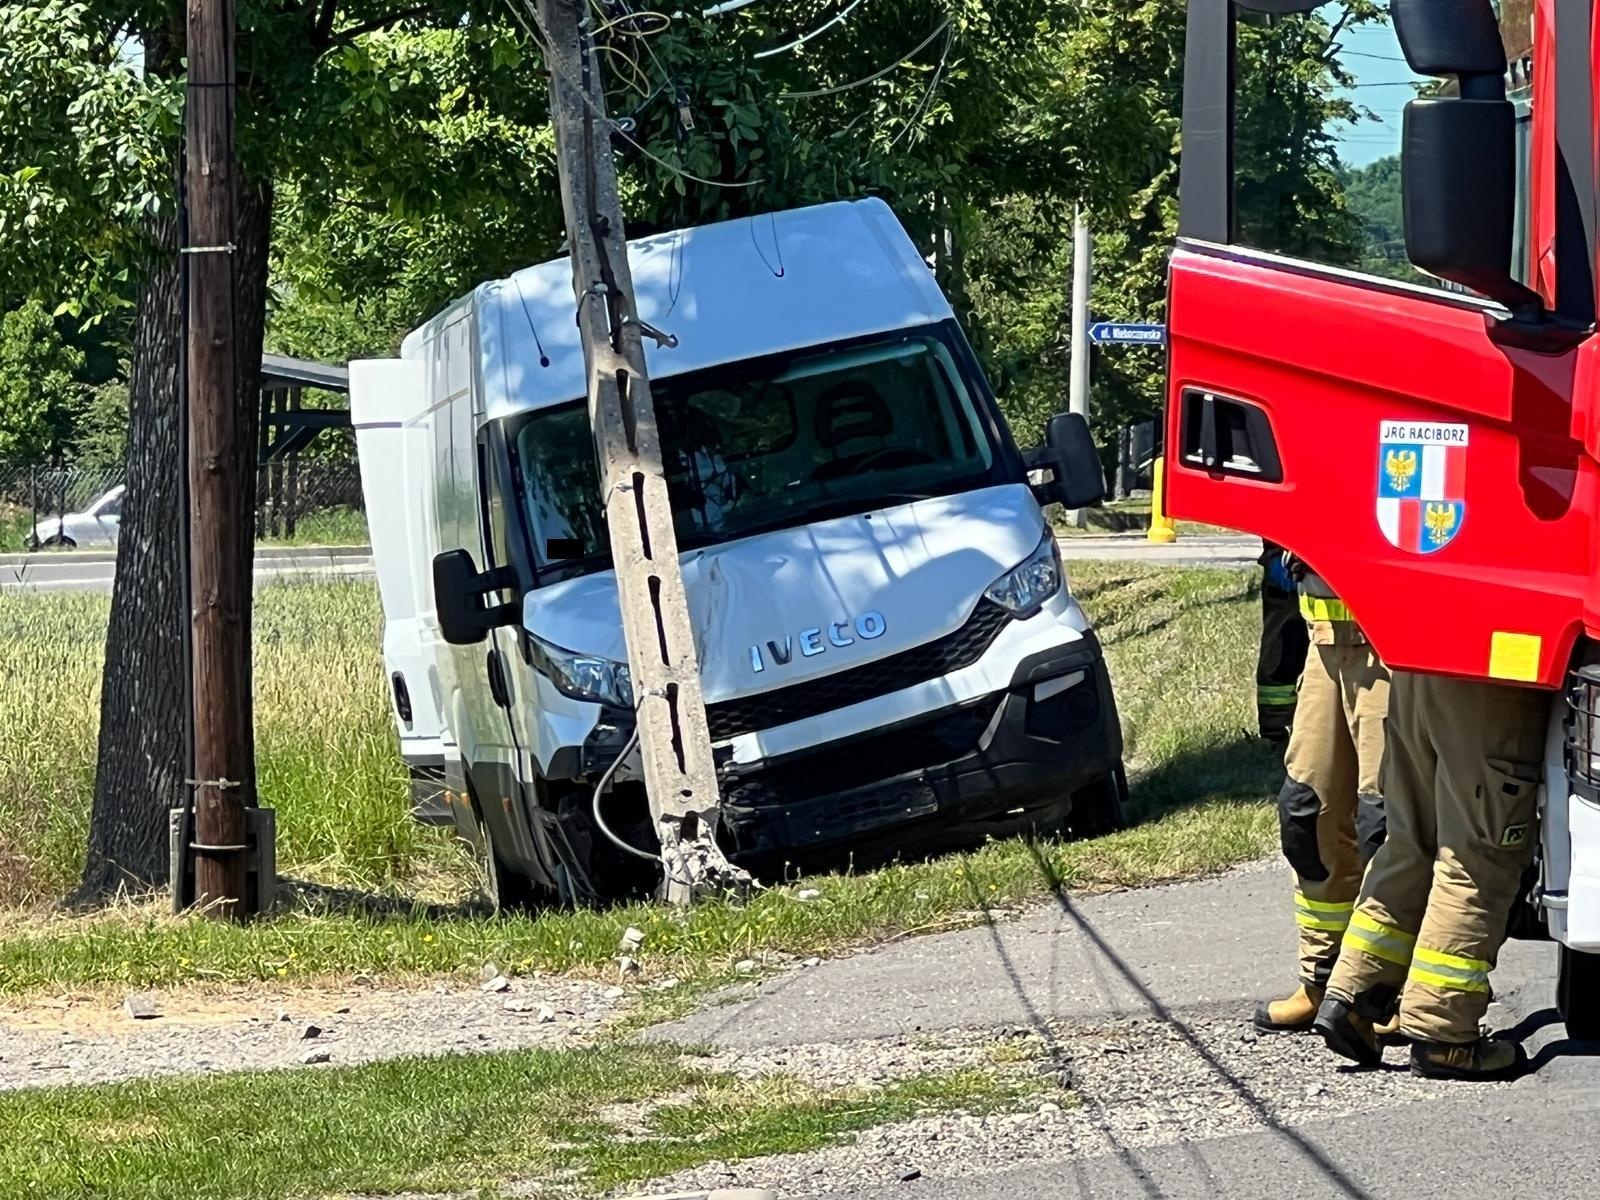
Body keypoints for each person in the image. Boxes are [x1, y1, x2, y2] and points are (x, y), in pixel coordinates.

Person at [1315, 672, 1549, 1079]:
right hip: (1488, 672)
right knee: (1478, 858)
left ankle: (1352, 994)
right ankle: (1445, 1036)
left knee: (1411, 843)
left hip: (1417, 670)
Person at [1254, 554, 1390, 1033]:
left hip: (1391, 640)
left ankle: (1384, 991)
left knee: (1386, 827)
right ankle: (1323, 979)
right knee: (1306, 814)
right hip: (1325, 639)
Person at [1257, 540, 1309, 742]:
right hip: (1285, 559)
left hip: (1318, 564)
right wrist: (1276, 554)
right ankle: (1275, 726)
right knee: (1283, 649)